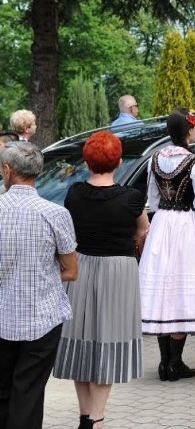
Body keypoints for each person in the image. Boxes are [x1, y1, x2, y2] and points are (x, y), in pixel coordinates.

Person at [52, 132, 148, 429]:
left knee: (80, 340)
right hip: (118, 272)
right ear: (119, 162)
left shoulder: (74, 193)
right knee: (109, 340)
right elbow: (143, 231)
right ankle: (98, 418)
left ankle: (85, 416)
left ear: (87, 161)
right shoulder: (132, 198)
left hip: (79, 269)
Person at [138, 109, 195, 382]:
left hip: (164, 223)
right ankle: (174, 362)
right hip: (187, 226)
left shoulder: (155, 159)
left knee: (165, 289)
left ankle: (166, 362)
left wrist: (163, 212)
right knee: (181, 290)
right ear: (189, 131)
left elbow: (152, 198)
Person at [0, 141, 78, 429]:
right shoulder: (56, 214)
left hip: (2, 316)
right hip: (42, 318)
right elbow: (71, 271)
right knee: (29, 393)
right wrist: (37, 272)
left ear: (7, 171)